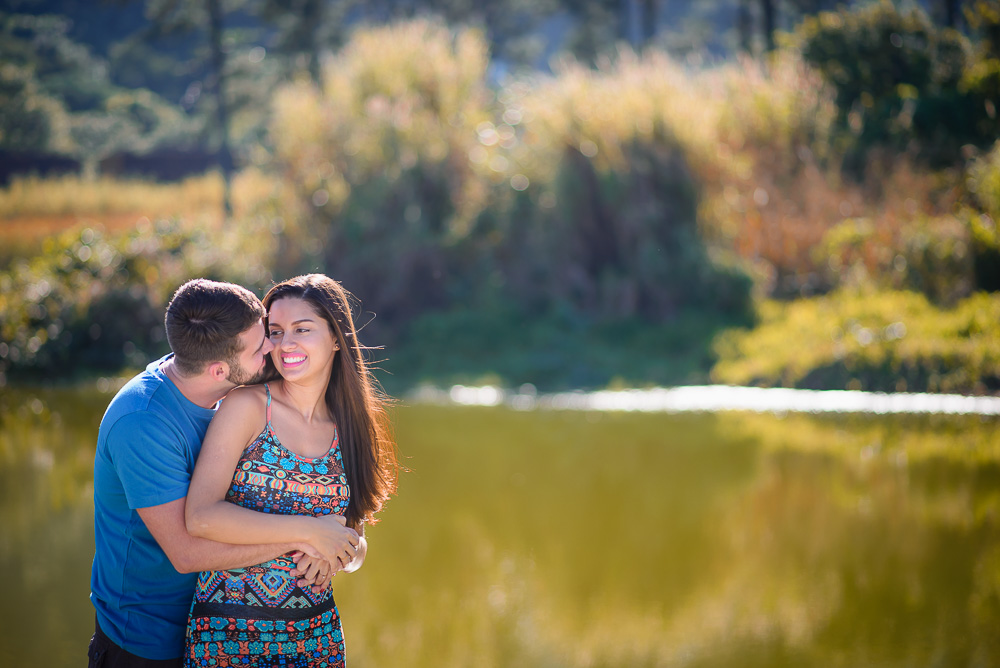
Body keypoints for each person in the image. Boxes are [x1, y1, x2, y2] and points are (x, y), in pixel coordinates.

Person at [89, 279, 346, 667]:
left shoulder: (220, 383)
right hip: (146, 639)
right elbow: (187, 552)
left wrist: (336, 544)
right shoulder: (141, 423)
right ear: (219, 370)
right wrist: (308, 535)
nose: (274, 349)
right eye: (263, 345)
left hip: (217, 626)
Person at [183, 274, 398, 667]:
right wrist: (309, 531)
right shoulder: (246, 407)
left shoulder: (353, 426)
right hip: (229, 639)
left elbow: (357, 546)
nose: (286, 344)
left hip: (316, 641)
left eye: (302, 329)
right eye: (276, 332)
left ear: (336, 337)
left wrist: (338, 553)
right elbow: (200, 517)